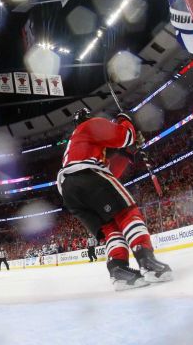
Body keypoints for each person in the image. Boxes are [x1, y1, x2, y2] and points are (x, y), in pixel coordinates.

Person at [57, 107, 173, 291]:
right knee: (127, 212)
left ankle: (119, 271)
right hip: (87, 175)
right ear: (88, 117)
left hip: (69, 192)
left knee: (110, 227)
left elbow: (111, 174)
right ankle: (147, 261)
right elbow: (124, 136)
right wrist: (125, 119)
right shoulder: (90, 126)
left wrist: (129, 152)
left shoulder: (77, 144)